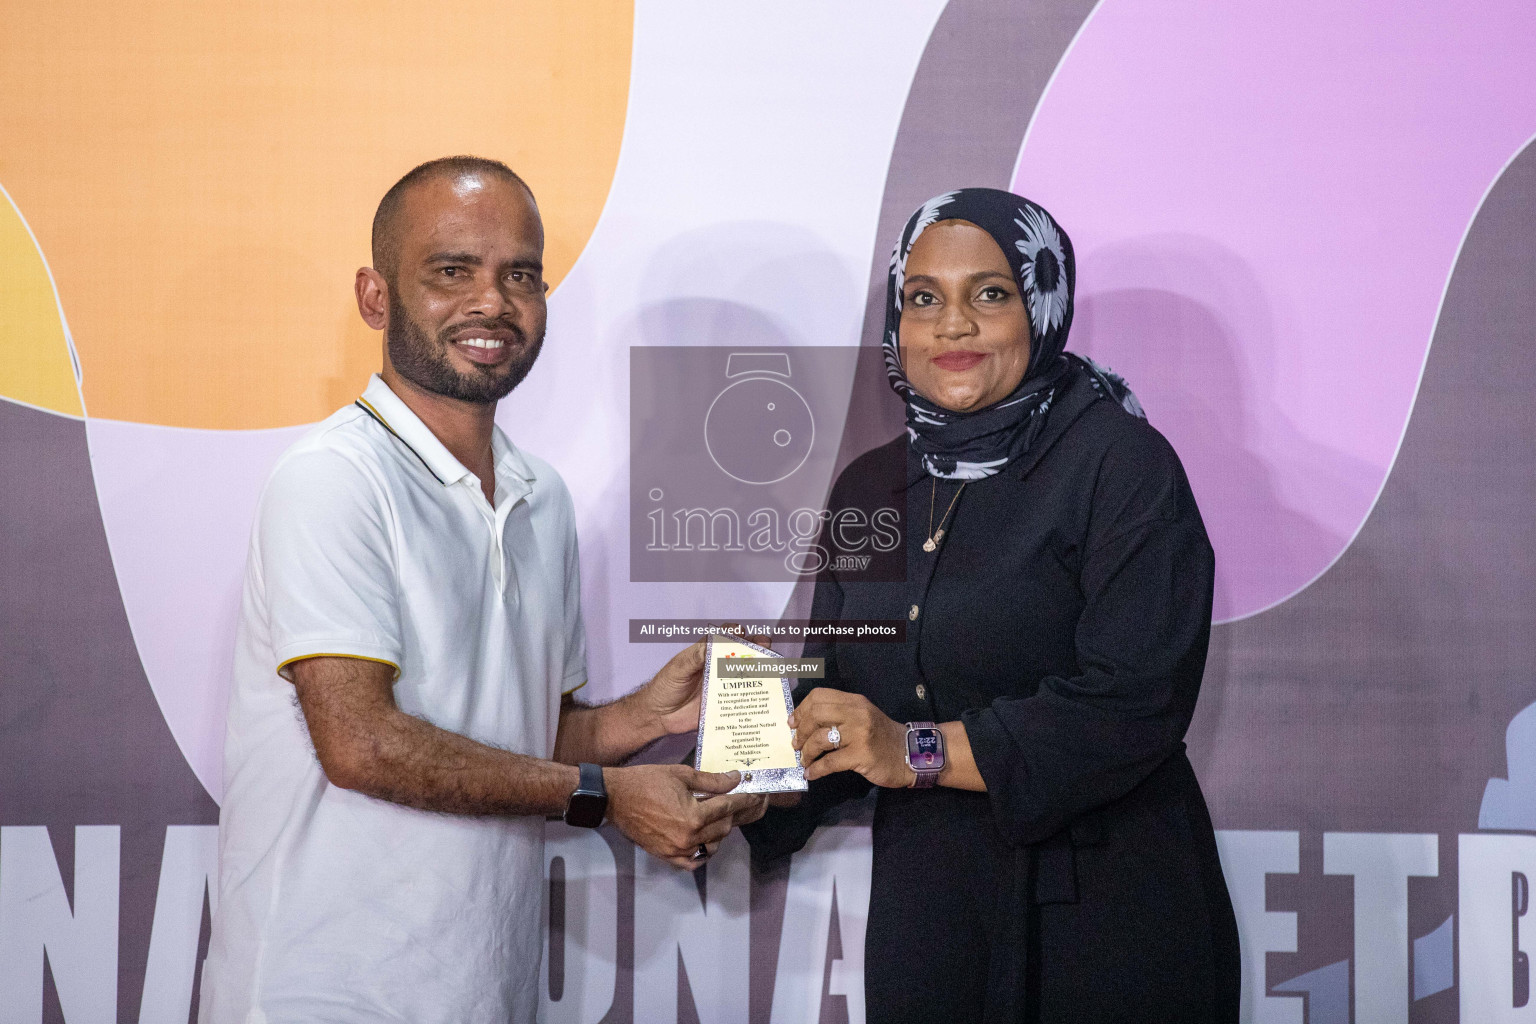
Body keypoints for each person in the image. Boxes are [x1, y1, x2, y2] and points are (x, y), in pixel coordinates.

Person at [200, 156, 765, 1023]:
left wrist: (640, 720)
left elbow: (521, 733)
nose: (492, 303)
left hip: (482, 990)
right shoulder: (333, 478)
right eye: (451, 271)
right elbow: (362, 744)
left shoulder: (542, 495)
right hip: (323, 991)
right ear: (375, 297)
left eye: (521, 275)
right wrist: (604, 796)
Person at [743, 188, 1240, 1022]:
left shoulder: (1121, 465)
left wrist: (915, 750)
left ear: (1043, 306)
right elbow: (838, 695)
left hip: (1111, 920)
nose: (953, 326)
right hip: (933, 924)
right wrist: (757, 776)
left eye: (991, 293)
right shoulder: (872, 485)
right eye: (924, 298)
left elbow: (1133, 704)